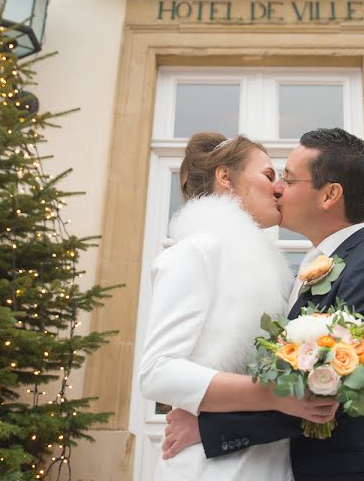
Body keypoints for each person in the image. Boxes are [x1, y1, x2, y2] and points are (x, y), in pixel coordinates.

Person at [162, 128, 364, 480]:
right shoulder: (300, 271)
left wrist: (211, 427)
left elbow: (341, 388)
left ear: (330, 194)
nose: (278, 188)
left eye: (288, 178)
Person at [138, 132, 338, 481]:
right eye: (268, 175)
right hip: (207, 468)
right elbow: (156, 372)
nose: (278, 189)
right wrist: (274, 395)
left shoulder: (272, 274)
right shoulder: (195, 253)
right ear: (225, 177)